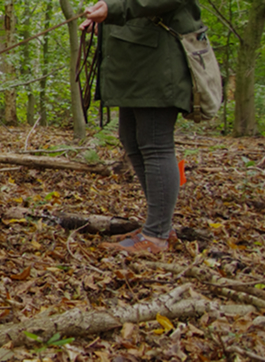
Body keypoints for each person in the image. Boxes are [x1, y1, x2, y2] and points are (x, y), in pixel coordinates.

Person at [82, 0, 203, 253]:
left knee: (155, 143)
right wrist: (104, 19)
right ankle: (160, 226)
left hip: (157, 60)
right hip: (134, 60)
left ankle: (157, 236)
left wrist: (114, 10)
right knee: (131, 139)